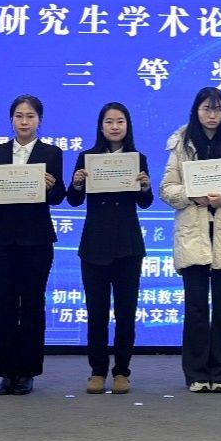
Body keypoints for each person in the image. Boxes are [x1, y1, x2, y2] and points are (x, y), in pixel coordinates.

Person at [160, 87, 221, 393]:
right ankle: (196, 374)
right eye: (206, 108)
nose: (212, 115)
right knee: (197, 309)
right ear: (196, 111)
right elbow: (167, 189)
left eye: (217, 109)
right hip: (193, 235)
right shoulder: (181, 144)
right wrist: (192, 194)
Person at [0, 94, 65, 396]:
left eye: (30, 116)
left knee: (32, 305)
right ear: (11, 119)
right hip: (3, 239)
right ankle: (6, 373)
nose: (24, 121)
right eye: (19, 116)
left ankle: (27, 372)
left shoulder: (51, 153)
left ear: (39, 120)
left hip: (37, 239)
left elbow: (59, 196)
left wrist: (52, 187)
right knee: (4, 304)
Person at [67, 102, 153, 394]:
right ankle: (97, 371)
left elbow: (145, 203)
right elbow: (74, 201)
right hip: (95, 245)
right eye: (109, 122)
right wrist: (77, 183)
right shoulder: (87, 157)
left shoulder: (137, 159)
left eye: (120, 121)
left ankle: (122, 371)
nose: (114, 127)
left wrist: (144, 186)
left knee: (126, 313)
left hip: (128, 245)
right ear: (100, 126)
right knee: (96, 313)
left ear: (127, 126)